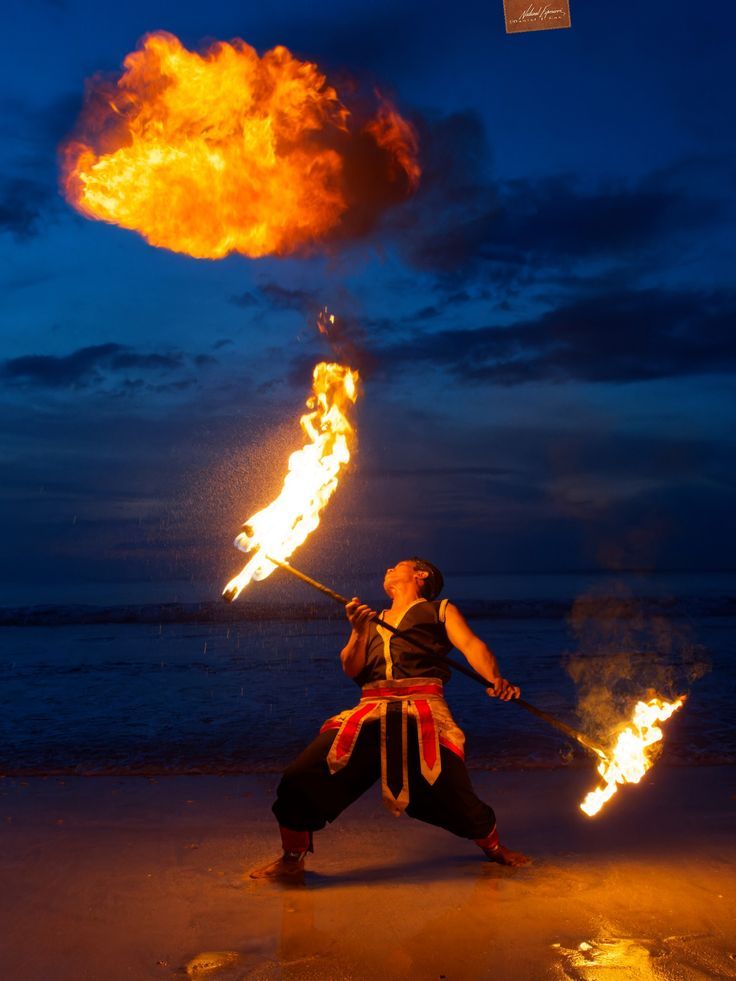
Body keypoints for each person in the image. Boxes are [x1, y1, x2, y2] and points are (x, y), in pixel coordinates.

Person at [250, 558, 529, 880]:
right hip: (369, 711)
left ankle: (494, 848)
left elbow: (471, 645)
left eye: (398, 566)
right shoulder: (370, 620)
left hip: (422, 710)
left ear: (421, 575)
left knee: (451, 792)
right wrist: (357, 631)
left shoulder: (440, 609)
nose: (387, 570)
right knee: (302, 776)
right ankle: (291, 859)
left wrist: (495, 679)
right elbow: (351, 669)